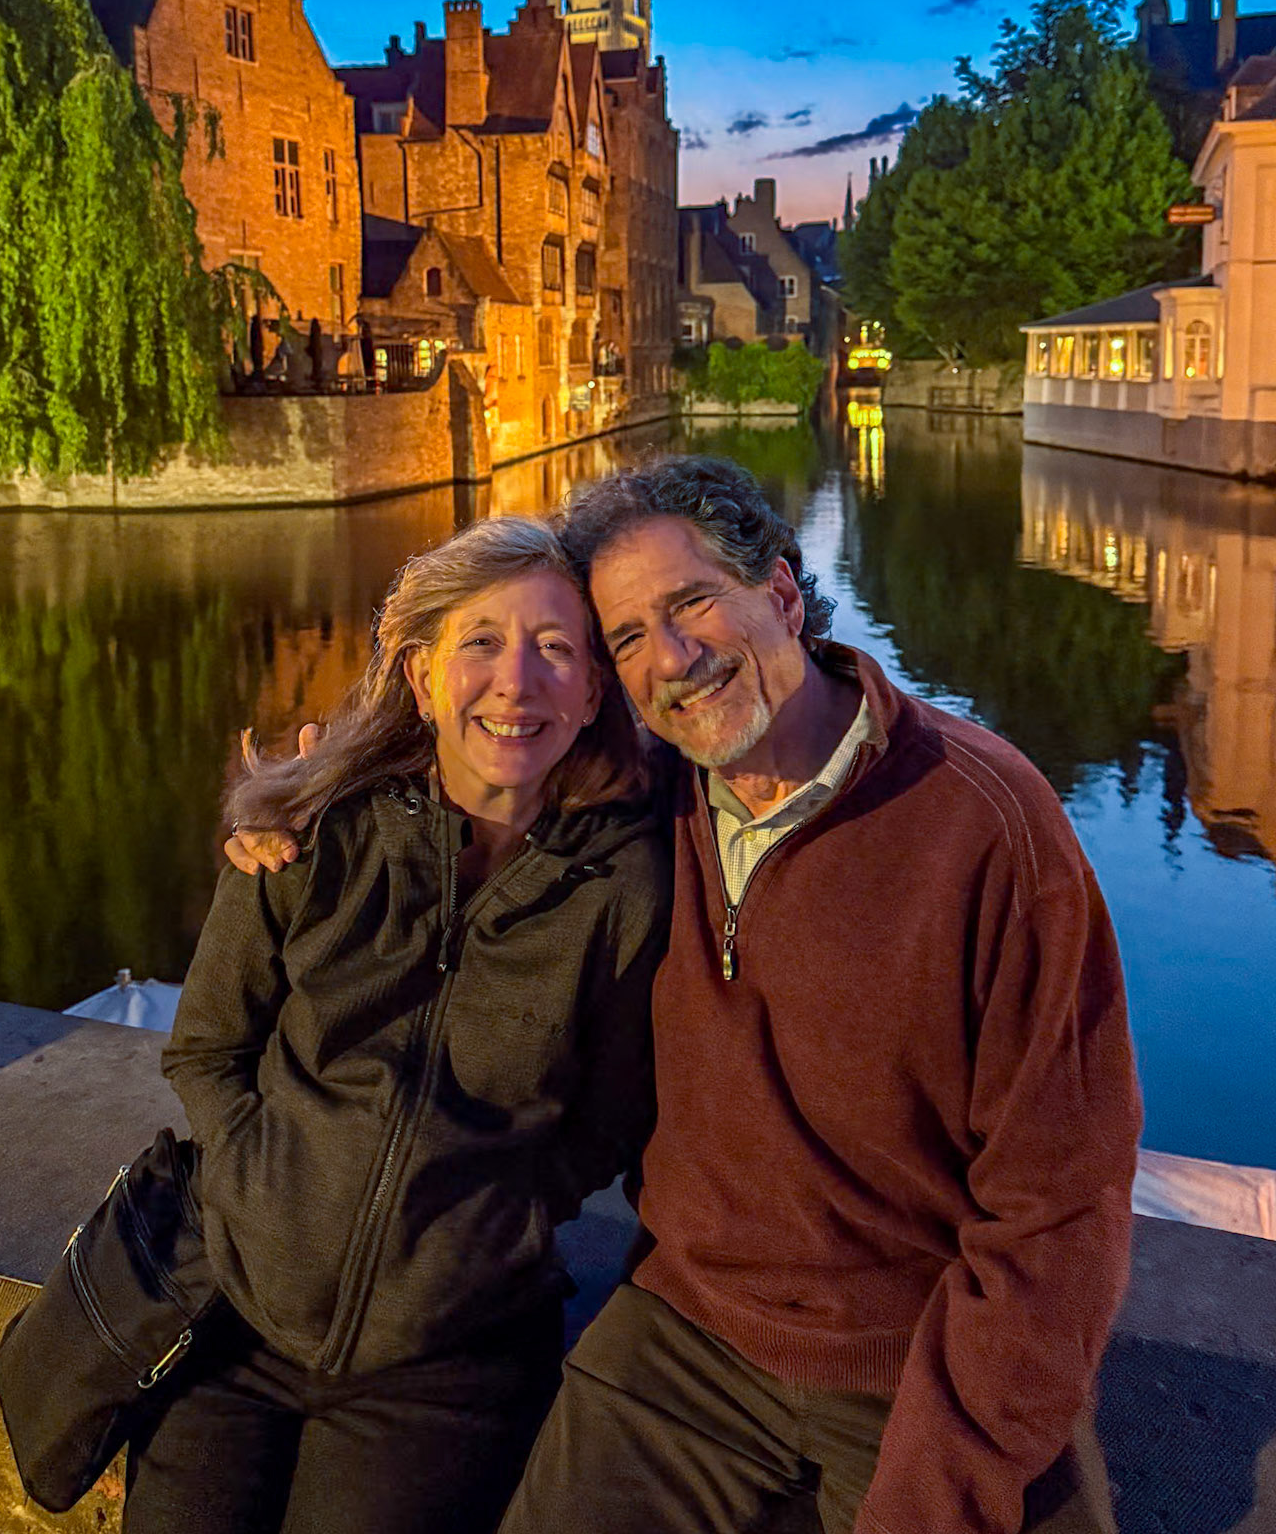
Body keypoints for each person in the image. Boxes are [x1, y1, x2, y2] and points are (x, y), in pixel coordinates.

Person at [231, 455, 1142, 1534]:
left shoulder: (982, 817)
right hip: (689, 1330)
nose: (672, 659)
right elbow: (472, 741)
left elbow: (1056, 1208)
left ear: (784, 594)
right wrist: (298, 802)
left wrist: (944, 1481)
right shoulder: (643, 793)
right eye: (623, 637)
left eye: (693, 601)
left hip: (911, 1352)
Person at [132, 515, 669, 1534]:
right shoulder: (312, 830)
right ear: (421, 678)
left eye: (557, 648)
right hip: (234, 1323)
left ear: (594, 691)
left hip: (449, 1356)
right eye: (481, 641)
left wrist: (493, 1219)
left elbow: (609, 1115)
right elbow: (207, 1045)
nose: (516, 680)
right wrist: (262, 1175)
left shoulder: (621, 883)